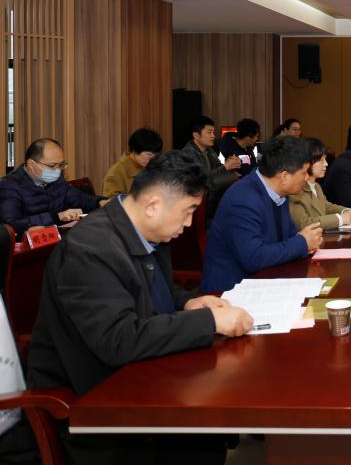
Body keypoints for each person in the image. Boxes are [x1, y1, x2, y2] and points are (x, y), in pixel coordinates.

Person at [29, 151, 252, 464]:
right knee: (201, 436)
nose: (189, 223)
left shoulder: (145, 233)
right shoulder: (89, 249)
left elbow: (152, 291)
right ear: (152, 205)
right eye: (188, 211)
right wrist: (210, 321)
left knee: (209, 428)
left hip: (142, 378)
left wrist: (187, 301)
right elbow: (119, 339)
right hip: (96, 404)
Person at [200, 136, 324, 292]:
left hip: (266, 280)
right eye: (304, 172)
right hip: (230, 292)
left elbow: (289, 238)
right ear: (284, 176)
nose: (306, 178)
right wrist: (302, 243)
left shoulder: (279, 192)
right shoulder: (243, 198)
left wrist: (305, 243)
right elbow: (253, 258)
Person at [0, 138, 105, 235]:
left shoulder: (56, 179)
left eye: (61, 165)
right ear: (31, 164)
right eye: (52, 166)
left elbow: (78, 198)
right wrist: (57, 216)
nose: (57, 170)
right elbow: (10, 225)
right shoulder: (9, 186)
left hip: (58, 237)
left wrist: (100, 202)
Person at [289, 138, 351, 230]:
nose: (326, 164)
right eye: (321, 160)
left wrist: (345, 210)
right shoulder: (295, 190)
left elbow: (326, 206)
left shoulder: (316, 186)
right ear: (307, 163)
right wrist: (340, 219)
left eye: (325, 159)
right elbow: (304, 223)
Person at [180, 116, 240, 218]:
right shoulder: (188, 153)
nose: (213, 136)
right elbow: (202, 179)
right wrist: (225, 167)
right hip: (198, 204)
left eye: (213, 132)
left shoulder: (209, 151)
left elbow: (218, 168)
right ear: (196, 135)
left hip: (211, 200)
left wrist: (230, 165)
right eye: (209, 132)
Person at [101, 127, 163, 197]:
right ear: (135, 151)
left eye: (156, 155)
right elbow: (111, 202)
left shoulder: (151, 167)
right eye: (149, 155)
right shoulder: (115, 174)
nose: (153, 159)